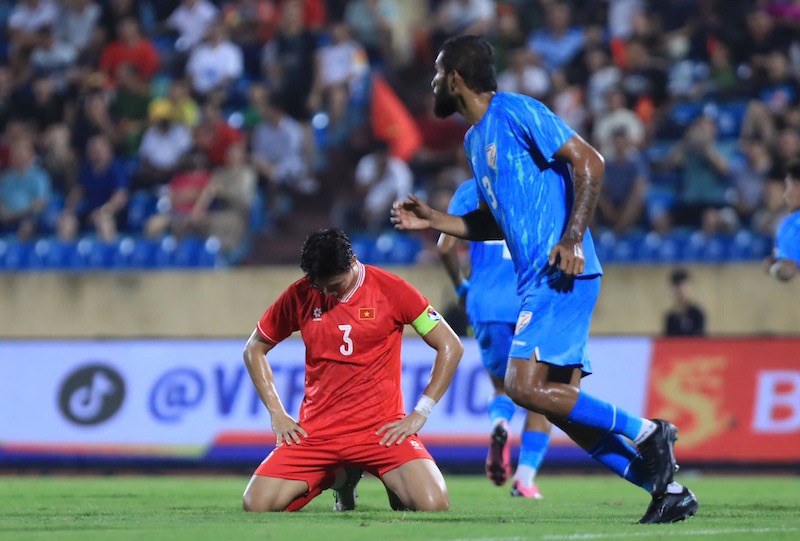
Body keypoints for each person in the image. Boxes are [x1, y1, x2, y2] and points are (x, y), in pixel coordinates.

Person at [391, 35, 697, 525]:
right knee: (562, 409)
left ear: (454, 78)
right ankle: (669, 491)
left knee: (520, 385)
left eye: (435, 73)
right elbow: (496, 223)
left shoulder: (516, 111)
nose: (430, 82)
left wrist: (573, 238)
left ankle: (647, 431)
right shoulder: (474, 140)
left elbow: (589, 161)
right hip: (538, 279)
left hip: (563, 271)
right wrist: (435, 219)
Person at [241, 228, 463, 513]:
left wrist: (422, 412)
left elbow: (450, 345)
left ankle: (383, 475)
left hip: (382, 432)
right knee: (256, 505)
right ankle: (341, 477)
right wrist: (276, 412)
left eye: (336, 285)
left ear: (353, 262)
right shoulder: (300, 294)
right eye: (322, 287)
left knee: (433, 506)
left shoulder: (391, 289)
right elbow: (254, 349)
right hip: (318, 433)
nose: (329, 294)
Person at [438, 177, 551, 499]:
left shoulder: (470, 190)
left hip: (485, 303)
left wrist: (462, 288)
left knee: (502, 387)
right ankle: (525, 480)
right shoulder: (535, 184)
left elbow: (445, 247)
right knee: (540, 394)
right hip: (529, 300)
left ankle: (500, 423)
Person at [764, 159, 800, 282]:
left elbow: (787, 271)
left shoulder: (790, 226)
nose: (785, 195)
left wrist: (773, 268)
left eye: (788, 187)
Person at [663, 268, 706, 337]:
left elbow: (700, 341)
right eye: (677, 288)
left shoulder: (697, 314)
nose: (680, 292)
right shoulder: (670, 318)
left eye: (683, 287)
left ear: (689, 288)